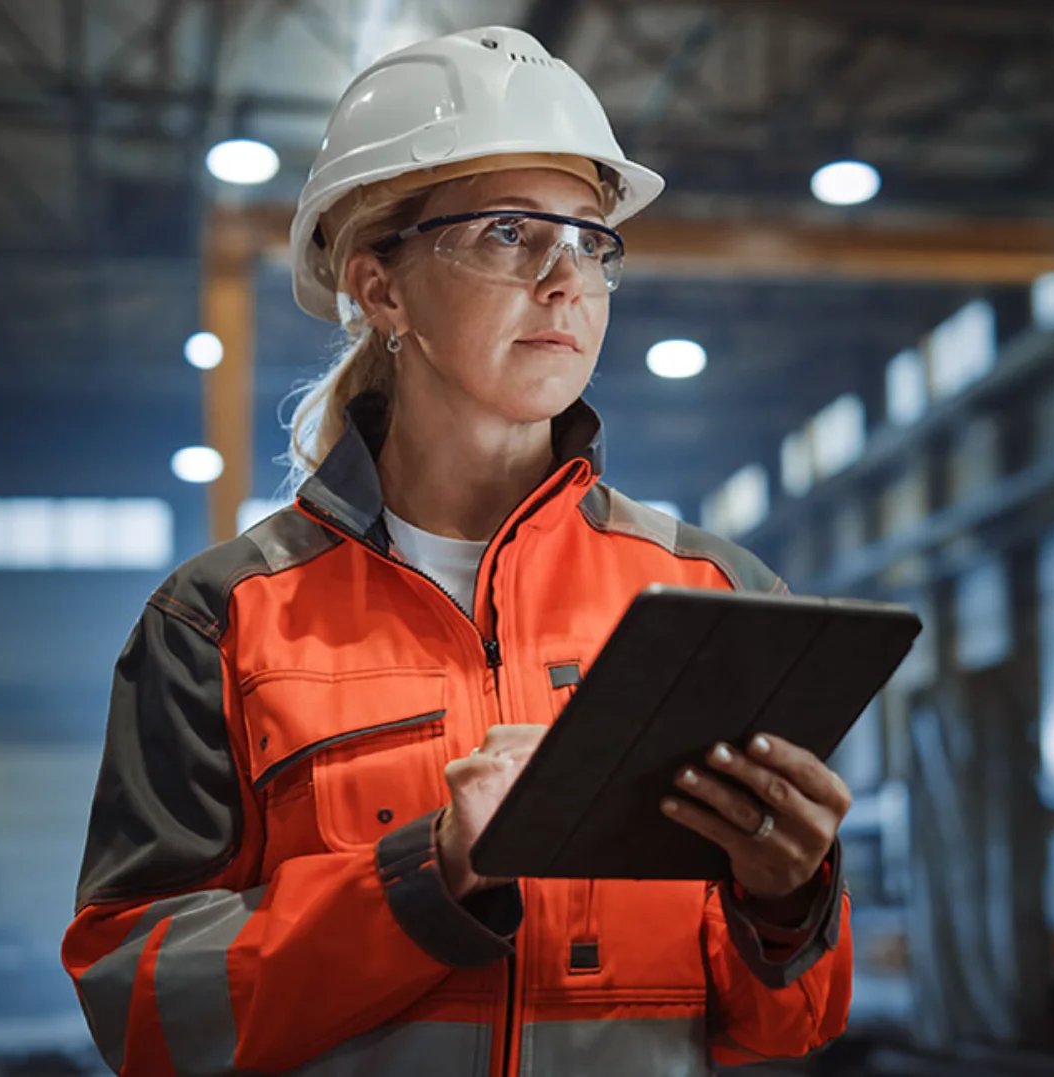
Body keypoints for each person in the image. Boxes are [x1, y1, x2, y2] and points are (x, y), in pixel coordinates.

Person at [62, 25, 853, 1077]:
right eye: (509, 233)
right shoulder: (222, 620)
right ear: (381, 289)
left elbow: (785, 1024)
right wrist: (426, 877)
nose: (566, 279)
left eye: (589, 242)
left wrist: (789, 900)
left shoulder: (712, 592)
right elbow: (142, 1010)